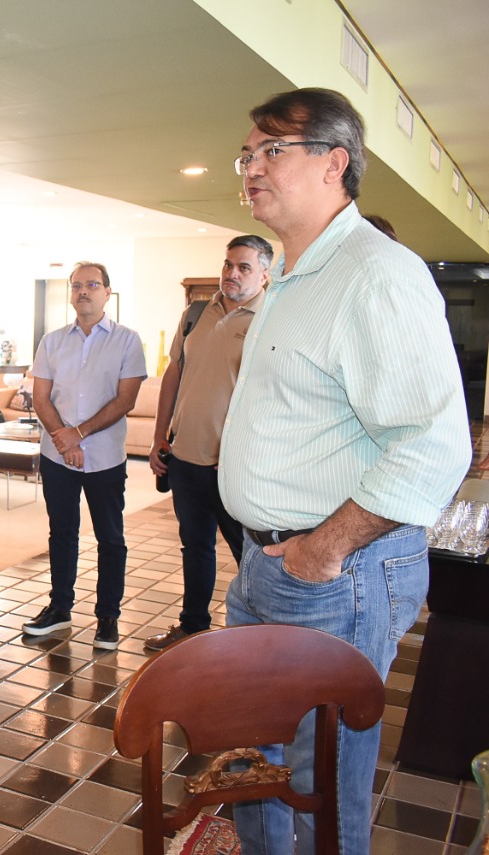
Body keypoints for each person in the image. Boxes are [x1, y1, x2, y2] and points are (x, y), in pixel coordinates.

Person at [219, 88, 470, 855]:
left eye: (273, 150)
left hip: (334, 572)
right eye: (247, 153)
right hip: (267, 557)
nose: (251, 167)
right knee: (254, 756)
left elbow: (434, 442)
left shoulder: (374, 274)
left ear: (335, 163)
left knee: (322, 780)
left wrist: (323, 548)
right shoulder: (294, 275)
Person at [143, 235, 271, 651]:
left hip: (233, 466)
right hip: (185, 458)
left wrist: (245, 452)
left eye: (244, 267)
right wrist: (159, 435)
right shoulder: (196, 313)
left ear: (264, 274)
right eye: (228, 264)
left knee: (249, 555)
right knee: (195, 547)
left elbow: (273, 395)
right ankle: (193, 627)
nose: (232, 273)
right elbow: (174, 374)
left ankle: (257, 642)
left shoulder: (271, 318)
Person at [24, 261, 145, 650]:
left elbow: (125, 400)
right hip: (57, 457)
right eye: (76, 285)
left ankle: (108, 618)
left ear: (107, 292)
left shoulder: (127, 340)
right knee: (61, 533)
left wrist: (78, 434)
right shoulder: (52, 341)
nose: (83, 291)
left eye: (92, 285)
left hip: (105, 458)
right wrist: (65, 442)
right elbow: (41, 398)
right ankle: (59, 609)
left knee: (110, 537)